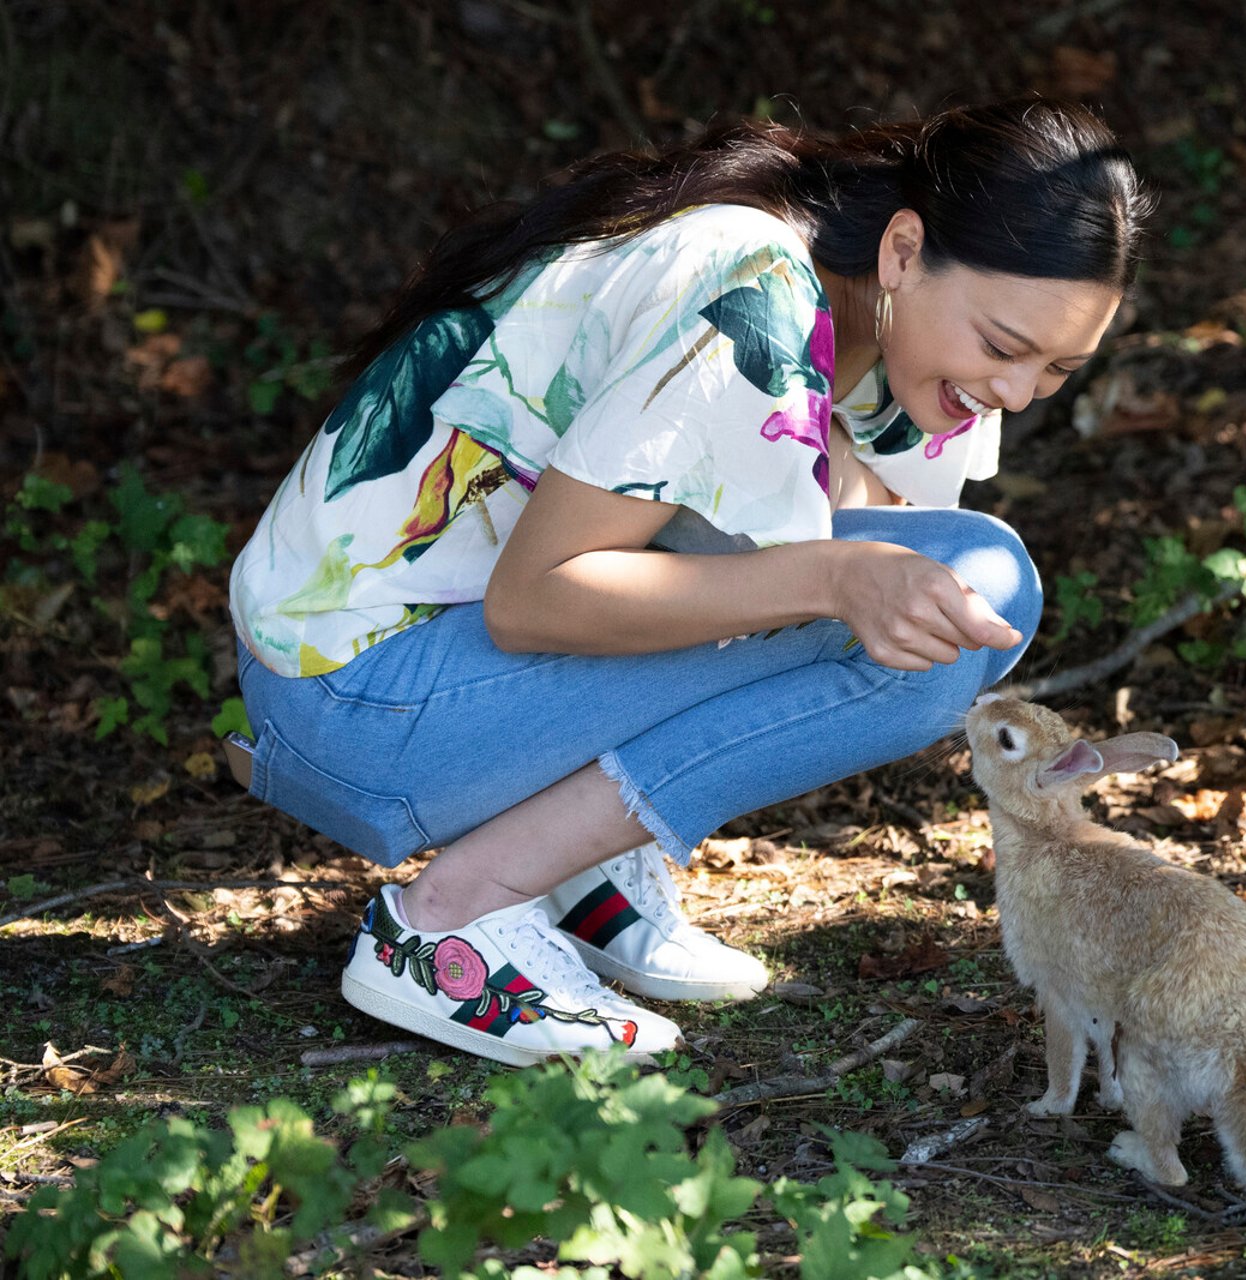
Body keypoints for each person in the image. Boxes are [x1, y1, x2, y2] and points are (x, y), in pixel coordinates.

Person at [226, 98, 1150, 1067]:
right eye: (1005, 347)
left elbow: (848, 516)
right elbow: (538, 596)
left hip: (420, 677)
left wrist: (837, 548)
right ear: (907, 249)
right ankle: (452, 919)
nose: (1016, 390)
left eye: (1061, 368)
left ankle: (575, 867)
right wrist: (833, 575)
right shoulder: (753, 281)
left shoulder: (901, 323)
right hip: (353, 701)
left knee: (949, 584)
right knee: (949, 584)